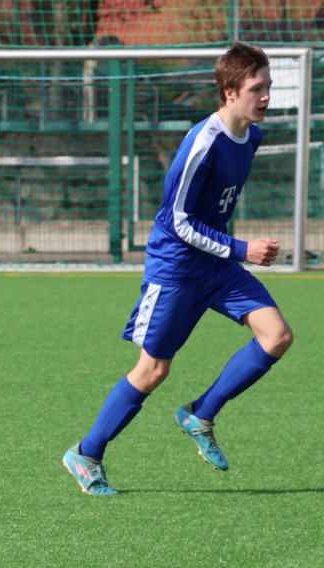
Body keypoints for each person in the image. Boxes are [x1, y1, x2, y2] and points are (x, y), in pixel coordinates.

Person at [63, 42, 292, 495]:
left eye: (268, 87)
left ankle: (200, 414)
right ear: (229, 92)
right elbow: (178, 222)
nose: (266, 96)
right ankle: (86, 453)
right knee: (153, 371)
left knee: (277, 336)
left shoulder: (253, 136)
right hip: (177, 270)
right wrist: (242, 248)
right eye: (256, 88)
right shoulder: (202, 145)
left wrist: (230, 251)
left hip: (217, 265)